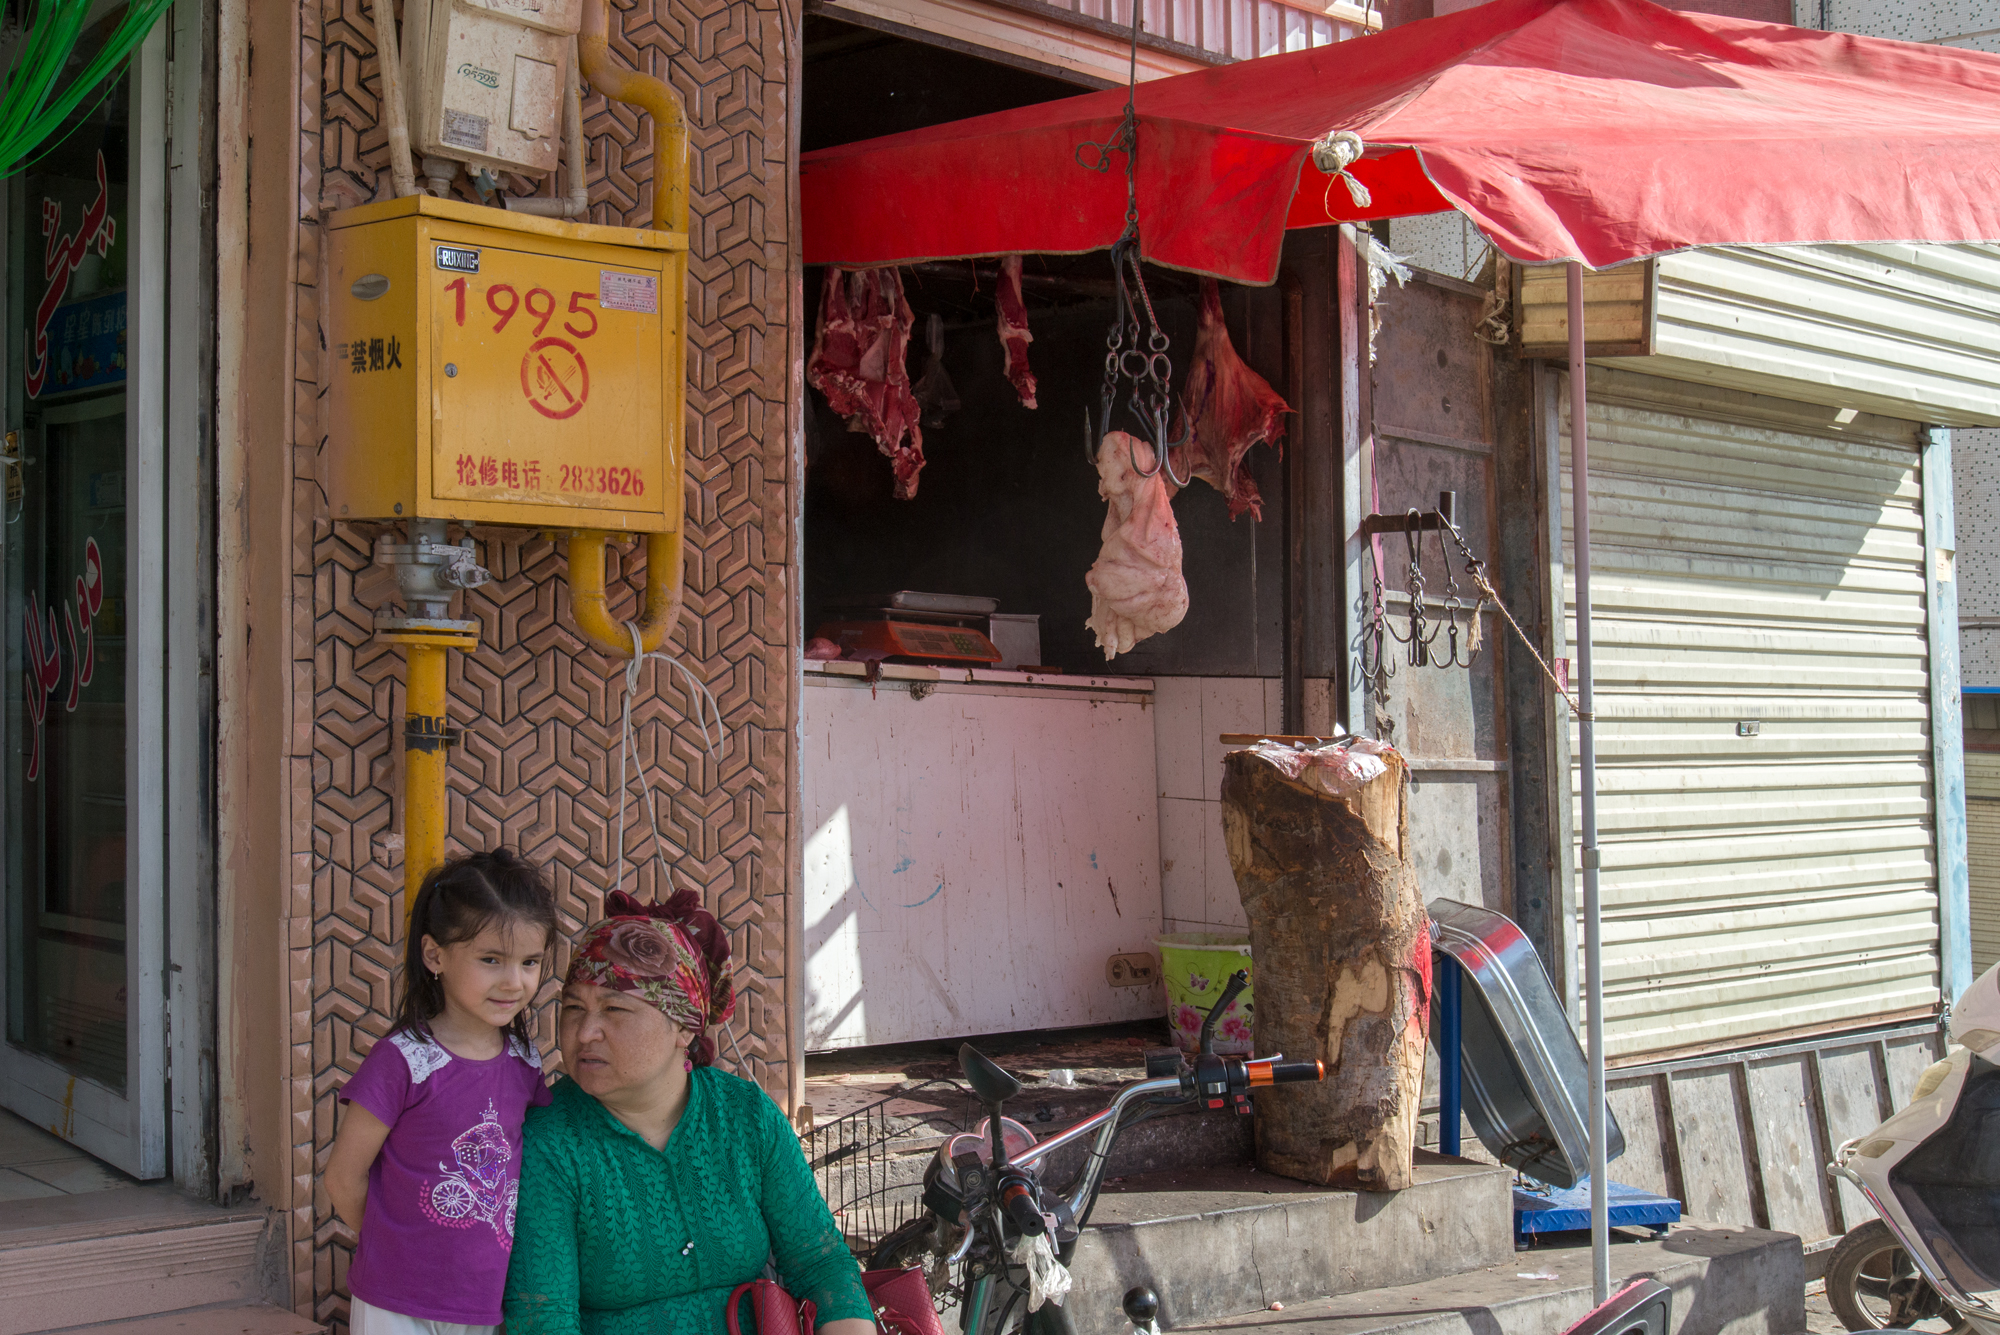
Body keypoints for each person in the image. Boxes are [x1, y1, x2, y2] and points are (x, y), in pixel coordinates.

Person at [504, 889, 876, 1335]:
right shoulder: (550, 1142)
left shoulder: (745, 1116)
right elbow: (542, 1317)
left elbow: (821, 1264)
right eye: (574, 1009)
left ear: (683, 1027)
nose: (585, 1032)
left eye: (614, 1009)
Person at [326, 849, 561, 1335]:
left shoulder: (525, 1062)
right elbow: (342, 1178)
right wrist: (394, 1251)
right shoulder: (403, 1061)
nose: (514, 981)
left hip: (485, 1302)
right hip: (395, 1302)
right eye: (491, 959)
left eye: (530, 962)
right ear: (435, 955)